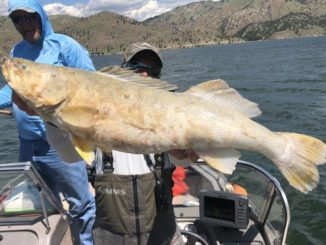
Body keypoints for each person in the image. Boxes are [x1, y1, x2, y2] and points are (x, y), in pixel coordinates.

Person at [0, 0, 96, 244]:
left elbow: (94, 87)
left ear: (40, 15)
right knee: (44, 202)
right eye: (17, 19)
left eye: (29, 17)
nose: (25, 24)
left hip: (59, 144)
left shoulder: (65, 47)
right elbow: (12, 90)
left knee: (81, 204)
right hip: (27, 145)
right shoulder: (17, 52)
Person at [92, 43, 185, 245]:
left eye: (153, 71)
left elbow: (186, 162)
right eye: (137, 67)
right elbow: (68, 154)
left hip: (163, 234)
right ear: (122, 70)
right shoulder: (97, 117)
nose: (145, 75)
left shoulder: (171, 120)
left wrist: (188, 150)